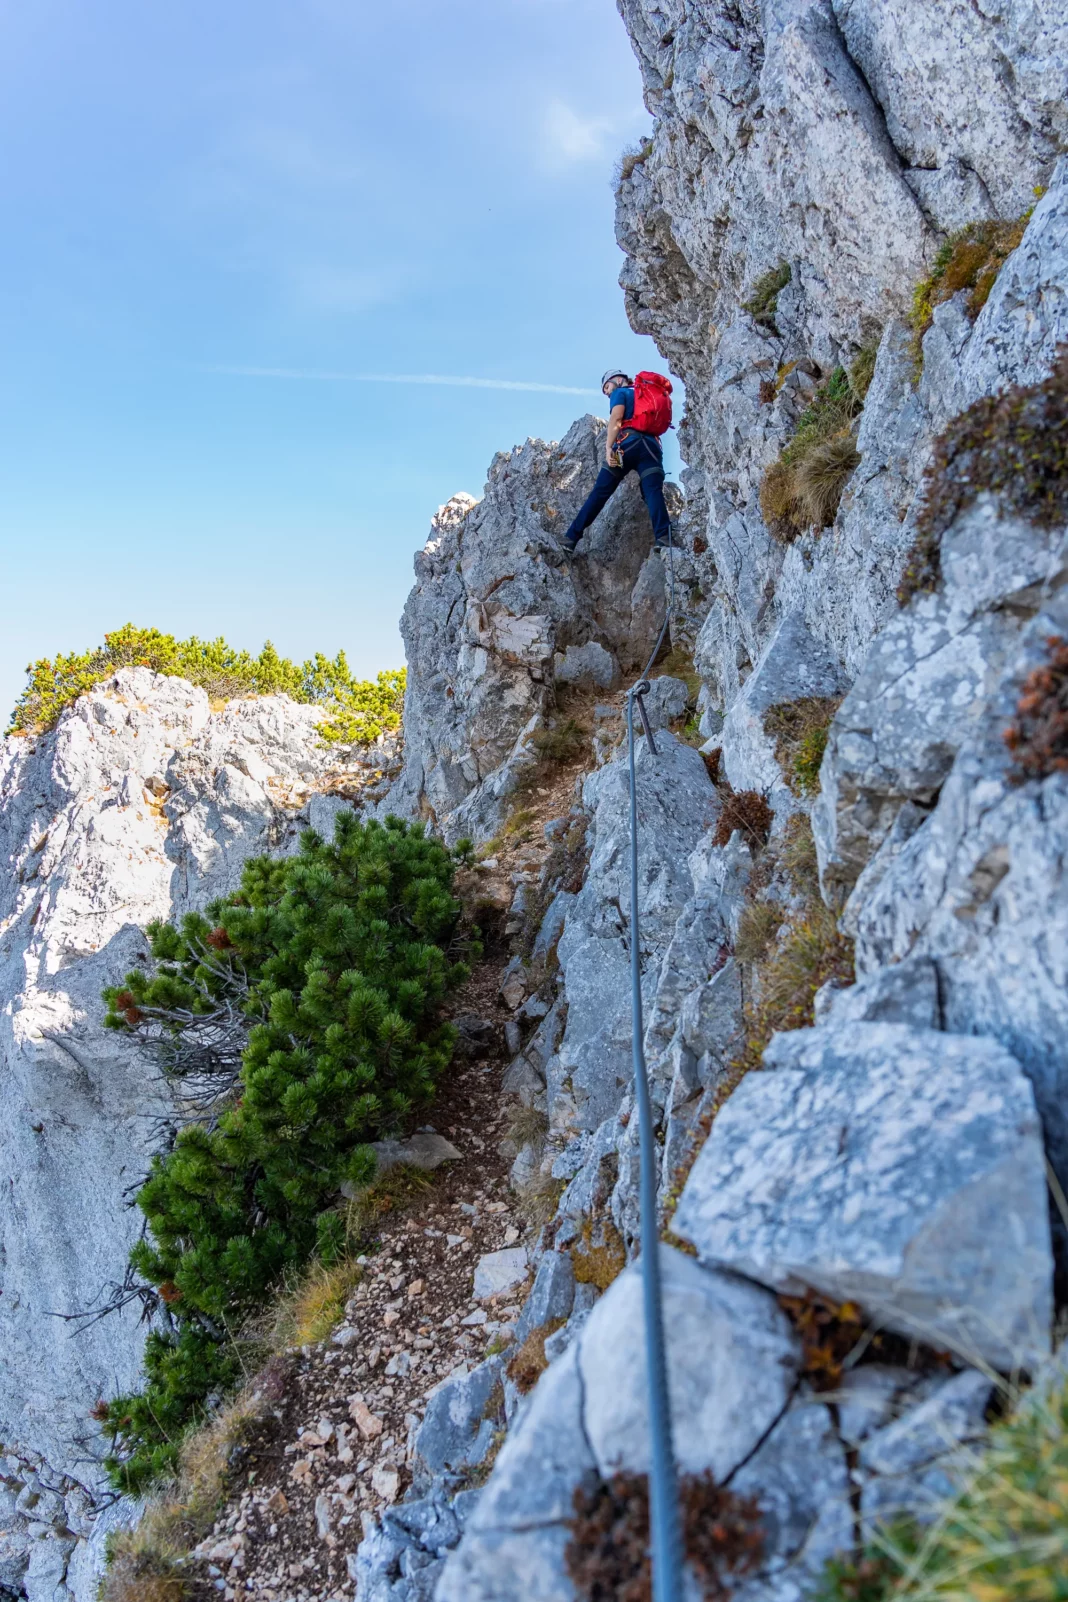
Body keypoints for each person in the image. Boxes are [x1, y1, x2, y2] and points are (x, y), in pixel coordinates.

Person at [562, 369, 672, 554]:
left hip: (627, 444)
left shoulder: (621, 393)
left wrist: (608, 447)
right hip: (651, 448)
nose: (607, 392)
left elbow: (617, 418)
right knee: (653, 492)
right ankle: (664, 537)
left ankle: (570, 538)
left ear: (619, 380)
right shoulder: (641, 394)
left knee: (600, 493)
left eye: (607, 386)